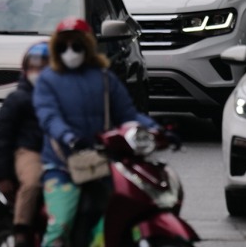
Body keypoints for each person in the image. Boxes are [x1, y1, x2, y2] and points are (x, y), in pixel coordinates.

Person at [33, 19, 156, 247]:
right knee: (60, 228)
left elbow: (128, 113)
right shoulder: (48, 80)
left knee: (113, 227)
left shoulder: (104, 78)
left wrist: (157, 130)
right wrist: (70, 138)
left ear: (87, 46)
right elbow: (49, 117)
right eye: (63, 47)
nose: (70, 52)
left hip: (101, 166)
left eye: (76, 46)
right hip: (61, 167)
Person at [0, 43, 49, 247]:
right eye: (34, 67)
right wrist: (2, 175)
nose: (38, 72)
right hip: (28, 151)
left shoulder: (58, 98)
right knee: (33, 183)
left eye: (44, 67)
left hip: (57, 152)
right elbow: (3, 138)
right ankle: (21, 231)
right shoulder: (17, 99)